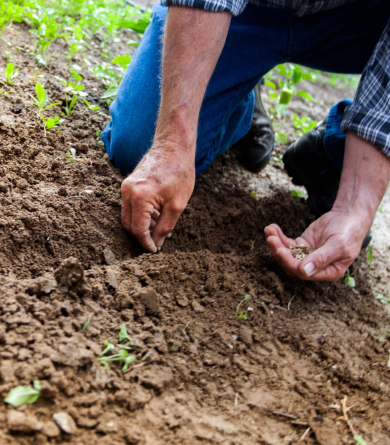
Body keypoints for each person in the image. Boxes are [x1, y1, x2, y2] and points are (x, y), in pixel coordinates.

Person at [101, 0, 390, 282]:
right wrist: (172, 145)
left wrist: (354, 208)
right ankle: (239, 101)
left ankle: (334, 153)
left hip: (360, 19)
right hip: (252, 10)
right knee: (139, 146)